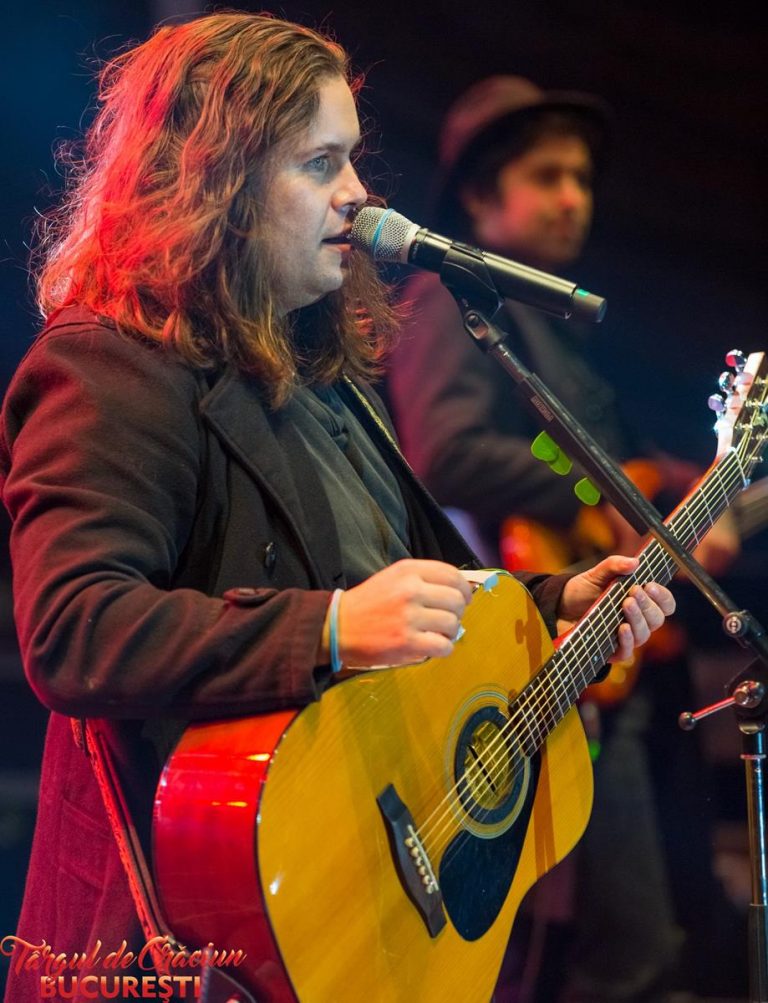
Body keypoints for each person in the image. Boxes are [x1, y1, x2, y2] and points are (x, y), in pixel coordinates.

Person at [0, 19, 674, 1003]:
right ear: (219, 181)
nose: (359, 193)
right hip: (191, 932)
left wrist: (552, 599)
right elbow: (73, 631)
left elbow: (406, 578)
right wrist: (328, 627)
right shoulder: (109, 365)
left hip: (346, 899)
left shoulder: (324, 372)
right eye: (321, 163)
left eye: (352, 159)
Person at [387, 77, 738, 1001]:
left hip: (618, 657)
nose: (574, 197)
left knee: (670, 932)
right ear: (478, 196)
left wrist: (678, 499)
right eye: (547, 176)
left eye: (581, 178)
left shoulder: (551, 331)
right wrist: (605, 491)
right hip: (544, 653)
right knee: (621, 949)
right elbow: (448, 453)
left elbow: (618, 464)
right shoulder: (447, 304)